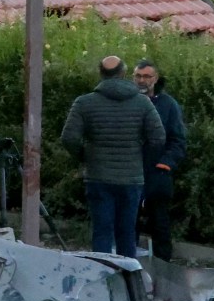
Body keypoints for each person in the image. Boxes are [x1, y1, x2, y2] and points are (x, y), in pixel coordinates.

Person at [60, 54, 164, 257]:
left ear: (101, 74)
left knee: (102, 232)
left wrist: (86, 156)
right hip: (131, 178)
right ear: (124, 74)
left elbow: (69, 138)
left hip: (98, 176)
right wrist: (140, 160)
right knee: (127, 233)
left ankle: (102, 277)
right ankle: (127, 281)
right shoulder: (142, 103)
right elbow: (158, 138)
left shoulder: (84, 103)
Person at [133, 59, 188, 263]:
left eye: (147, 76)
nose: (142, 80)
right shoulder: (128, 101)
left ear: (155, 78)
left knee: (160, 225)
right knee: (128, 223)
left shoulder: (168, 105)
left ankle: (164, 270)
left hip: (158, 173)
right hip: (130, 171)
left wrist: (165, 164)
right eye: (138, 76)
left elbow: (178, 140)